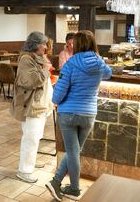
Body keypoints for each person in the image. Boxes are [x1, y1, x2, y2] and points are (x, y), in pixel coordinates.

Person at [46, 30, 112, 201]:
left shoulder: (70, 64)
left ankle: (74, 188)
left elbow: (58, 95)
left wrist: (55, 99)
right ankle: (57, 182)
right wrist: (99, 59)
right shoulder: (99, 62)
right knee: (74, 151)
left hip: (68, 113)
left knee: (73, 152)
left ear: (77, 45)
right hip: (89, 113)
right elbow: (109, 73)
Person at [10, 32, 54, 183]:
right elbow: (33, 81)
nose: (46, 47)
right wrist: (46, 69)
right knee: (31, 138)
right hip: (31, 107)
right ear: (35, 44)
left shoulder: (37, 57)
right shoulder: (25, 60)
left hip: (39, 106)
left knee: (36, 137)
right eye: (43, 44)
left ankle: (30, 162)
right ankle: (25, 170)